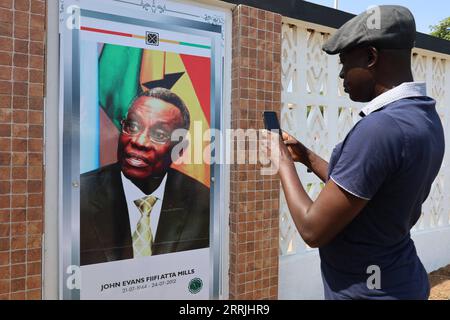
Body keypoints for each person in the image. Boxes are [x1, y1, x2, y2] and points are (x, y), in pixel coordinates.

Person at [264, 5, 445, 299]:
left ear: (371, 57)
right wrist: (306, 157)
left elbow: (312, 230)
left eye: (346, 63)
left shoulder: (380, 128)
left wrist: (282, 161)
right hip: (401, 278)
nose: (341, 74)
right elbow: (363, 189)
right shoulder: (424, 115)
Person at [80, 87, 210, 266]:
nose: (139, 142)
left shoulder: (203, 202)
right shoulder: (80, 196)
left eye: (159, 134)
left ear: (180, 149)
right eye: (132, 126)